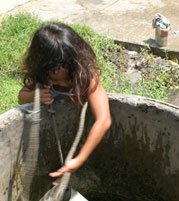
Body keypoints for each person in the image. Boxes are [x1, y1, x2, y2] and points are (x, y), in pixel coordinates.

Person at [18, 22, 111, 185]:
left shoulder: (86, 75)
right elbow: (22, 97)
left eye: (68, 78)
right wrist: (35, 95)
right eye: (55, 80)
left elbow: (103, 120)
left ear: (76, 66)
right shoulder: (42, 75)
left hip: (82, 139)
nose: (64, 83)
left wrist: (79, 160)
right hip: (53, 139)